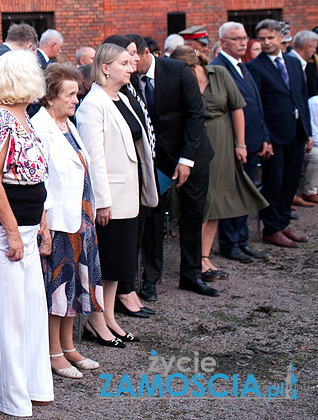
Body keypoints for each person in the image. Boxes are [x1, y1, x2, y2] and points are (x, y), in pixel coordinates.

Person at [0, 50, 52, 415]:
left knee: (33, 307)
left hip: (28, 224)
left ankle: (31, 384)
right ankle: (5, 393)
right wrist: (14, 234)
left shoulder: (24, 117)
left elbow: (37, 176)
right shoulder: (0, 119)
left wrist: (42, 226)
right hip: (1, 229)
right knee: (8, 313)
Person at [76, 44, 157, 347]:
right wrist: (103, 202)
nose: (131, 67)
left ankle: (109, 317)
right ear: (105, 68)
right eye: (123, 63)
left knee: (120, 262)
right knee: (107, 262)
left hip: (130, 193)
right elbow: (93, 158)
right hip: (110, 198)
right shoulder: (92, 104)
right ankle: (96, 322)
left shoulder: (122, 97)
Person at [170, 46, 268, 280]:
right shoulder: (179, 82)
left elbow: (237, 108)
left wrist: (241, 143)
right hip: (195, 144)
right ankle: (194, 260)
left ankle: (204, 257)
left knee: (217, 200)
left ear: (194, 66)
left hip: (222, 141)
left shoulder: (219, 73)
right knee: (198, 202)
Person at [31, 64, 101, 379]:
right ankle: (52, 353)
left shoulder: (66, 124)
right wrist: (44, 227)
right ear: (50, 97)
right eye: (70, 95)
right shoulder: (40, 128)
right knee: (57, 290)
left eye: (76, 93)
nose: (76, 100)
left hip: (79, 218)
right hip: (58, 222)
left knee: (71, 290)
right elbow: (40, 182)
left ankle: (68, 346)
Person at [133, 32, 216, 297]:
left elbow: (195, 115)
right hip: (156, 160)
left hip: (191, 154)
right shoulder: (128, 79)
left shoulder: (178, 70)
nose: (130, 63)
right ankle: (150, 280)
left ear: (147, 53)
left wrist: (186, 160)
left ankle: (191, 275)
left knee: (193, 214)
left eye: (134, 57)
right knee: (154, 218)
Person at [247, 19, 313, 248]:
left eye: (270, 38)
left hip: (296, 133)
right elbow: (256, 105)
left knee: (291, 181)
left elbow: (301, 98)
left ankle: (283, 223)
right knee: (273, 183)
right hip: (273, 136)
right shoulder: (255, 67)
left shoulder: (294, 64)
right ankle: (271, 228)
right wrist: (264, 138)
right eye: (262, 39)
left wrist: (308, 133)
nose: (266, 42)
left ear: (281, 38)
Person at [212, 22, 272, 263]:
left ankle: (241, 240)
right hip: (234, 144)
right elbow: (224, 109)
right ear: (224, 41)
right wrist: (239, 143)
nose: (242, 42)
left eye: (244, 38)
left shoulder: (242, 66)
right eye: (236, 38)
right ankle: (229, 242)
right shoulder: (218, 67)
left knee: (245, 193)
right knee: (233, 194)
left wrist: (264, 137)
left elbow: (254, 104)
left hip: (252, 141)